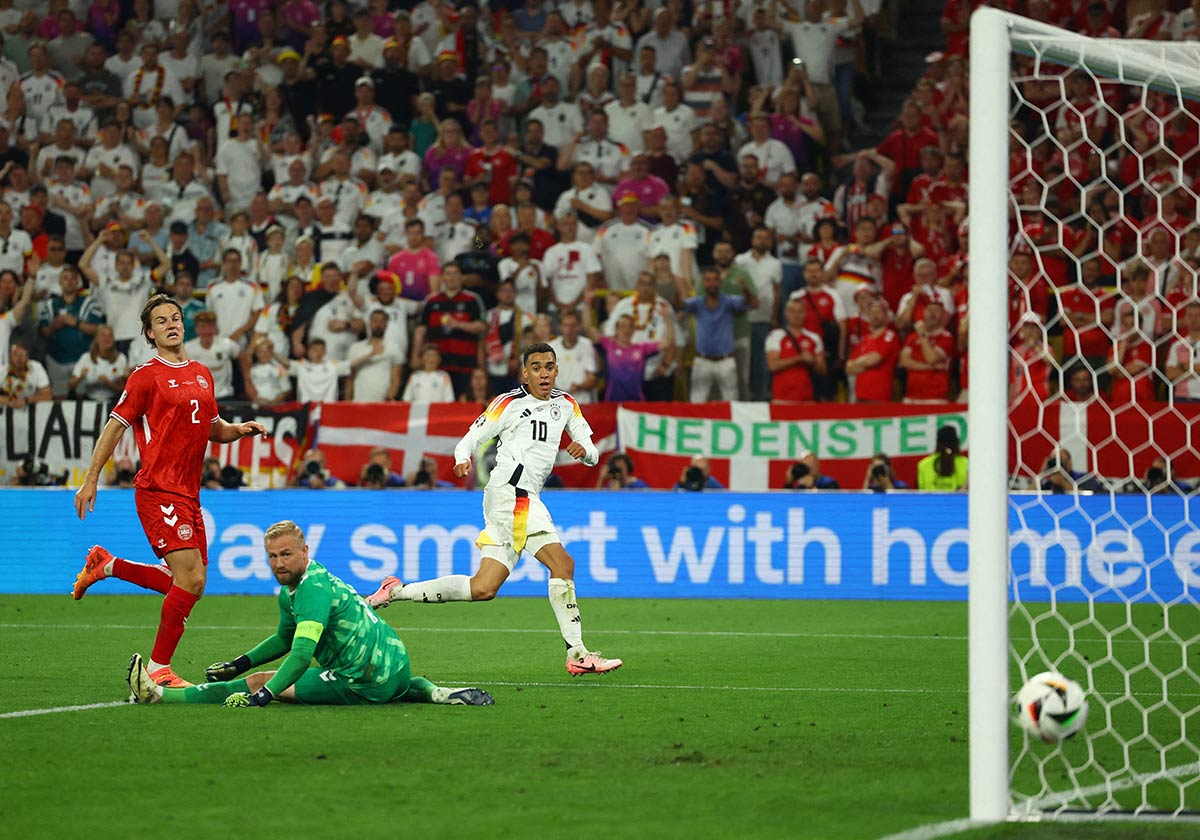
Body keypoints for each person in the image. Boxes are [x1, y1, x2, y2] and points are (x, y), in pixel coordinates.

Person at [366, 343, 622, 676]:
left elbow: (592, 451)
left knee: (483, 588)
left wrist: (583, 451)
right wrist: (462, 459)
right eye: (536, 367)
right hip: (510, 495)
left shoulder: (567, 404)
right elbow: (469, 439)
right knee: (563, 563)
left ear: (557, 370)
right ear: (524, 373)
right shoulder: (509, 403)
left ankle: (394, 592)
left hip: (521, 498)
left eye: (549, 366)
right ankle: (577, 652)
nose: (543, 373)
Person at [72, 293, 267, 688]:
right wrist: (91, 478)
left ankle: (107, 565)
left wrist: (237, 431)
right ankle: (159, 668)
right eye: (161, 321)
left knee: (191, 582)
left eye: (175, 318)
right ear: (149, 333)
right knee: (191, 579)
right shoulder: (145, 376)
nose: (171, 324)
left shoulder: (201, 372)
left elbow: (213, 427)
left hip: (189, 493)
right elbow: (114, 427)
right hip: (158, 488)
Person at [126, 520, 494, 708]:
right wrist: (240, 662)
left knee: (260, 682)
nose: (279, 563)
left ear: (304, 550)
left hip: (364, 681)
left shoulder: (311, 591)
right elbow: (286, 638)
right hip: (399, 667)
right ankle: (431, 691)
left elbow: (301, 654)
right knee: (257, 674)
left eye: (286, 554)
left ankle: (160, 697)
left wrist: (265, 692)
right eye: (273, 556)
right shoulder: (301, 586)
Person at [916, 425, 969, 491]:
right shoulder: (967, 465)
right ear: (956, 443)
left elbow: (922, 495)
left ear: (937, 443)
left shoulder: (923, 465)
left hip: (931, 501)